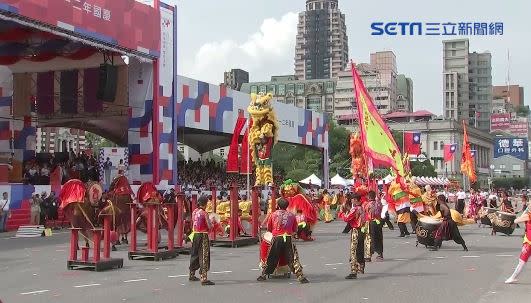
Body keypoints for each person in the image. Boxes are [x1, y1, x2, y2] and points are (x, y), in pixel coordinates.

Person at [257, 198, 309, 283]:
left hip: (277, 238)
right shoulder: (292, 215)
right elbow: (294, 229)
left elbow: (269, 229)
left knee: (272, 257)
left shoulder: (273, 214)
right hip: (287, 237)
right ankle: (300, 277)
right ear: (287, 206)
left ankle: (263, 275)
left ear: (278, 205)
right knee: (292, 258)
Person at [188, 196, 214, 285]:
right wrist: (213, 223)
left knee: (194, 254)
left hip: (195, 234)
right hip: (202, 235)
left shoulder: (194, 212)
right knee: (204, 255)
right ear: (206, 204)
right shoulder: (204, 213)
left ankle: (191, 274)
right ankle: (204, 277)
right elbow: (209, 226)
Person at [505, 199, 531, 284]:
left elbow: (516, 221)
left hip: (529, 242)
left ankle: (512, 277)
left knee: (522, 261)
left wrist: (520, 217)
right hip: (528, 239)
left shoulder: (528, 215)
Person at [342, 193, 366, 279]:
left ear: (355, 200)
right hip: (362, 230)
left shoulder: (355, 209)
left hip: (356, 230)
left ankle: (353, 271)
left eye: (352, 199)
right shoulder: (362, 208)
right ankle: (361, 267)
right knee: (360, 249)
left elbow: (347, 218)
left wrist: (342, 213)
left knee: (353, 251)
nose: (351, 200)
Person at [365, 190, 383, 261]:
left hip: (371, 222)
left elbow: (366, 212)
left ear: (369, 197)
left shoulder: (368, 204)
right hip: (378, 222)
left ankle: (369, 254)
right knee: (379, 237)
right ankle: (380, 254)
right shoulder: (379, 203)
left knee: (370, 238)